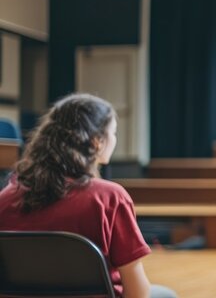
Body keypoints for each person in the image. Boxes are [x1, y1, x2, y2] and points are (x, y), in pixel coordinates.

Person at [0, 94, 176, 298]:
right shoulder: (110, 198)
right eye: (113, 133)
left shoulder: (5, 199)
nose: (115, 139)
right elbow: (137, 292)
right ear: (97, 142)